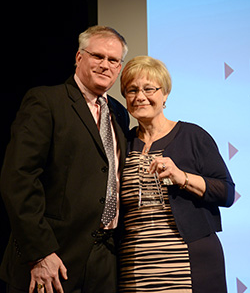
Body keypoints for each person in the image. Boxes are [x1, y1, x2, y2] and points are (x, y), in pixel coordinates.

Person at [0, 26, 129, 293]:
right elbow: (19, 178)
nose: (105, 65)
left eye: (113, 60)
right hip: (53, 256)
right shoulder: (46, 101)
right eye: (98, 56)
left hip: (104, 259)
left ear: (119, 67)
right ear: (79, 57)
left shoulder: (118, 113)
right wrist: (40, 252)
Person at [118, 56, 235, 293]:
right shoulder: (124, 143)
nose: (140, 96)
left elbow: (227, 193)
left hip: (189, 263)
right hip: (135, 266)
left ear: (165, 94)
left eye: (149, 89)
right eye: (132, 90)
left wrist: (182, 177)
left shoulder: (193, 136)